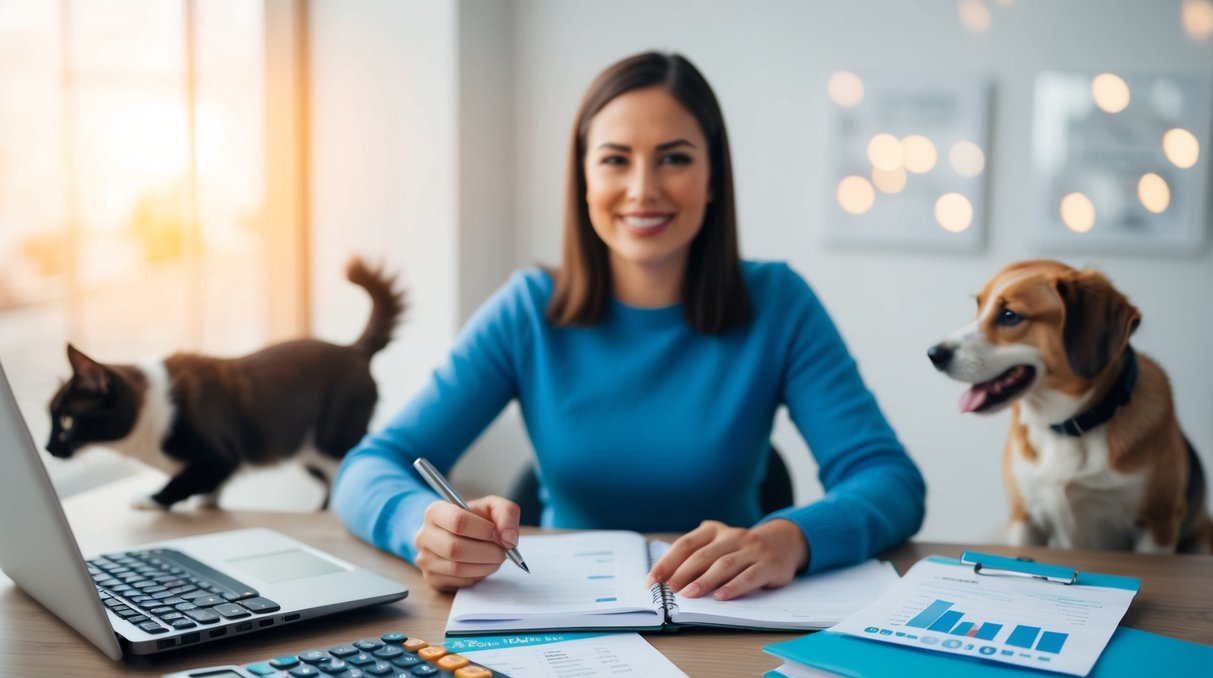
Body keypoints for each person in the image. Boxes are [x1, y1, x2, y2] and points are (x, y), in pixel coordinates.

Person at [333, 51, 925, 600]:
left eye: (674, 158)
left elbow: (889, 480)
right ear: (584, 178)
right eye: (616, 159)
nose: (643, 190)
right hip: (564, 615)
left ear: (713, 178)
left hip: (722, 613)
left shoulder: (778, 303)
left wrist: (790, 539)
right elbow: (368, 468)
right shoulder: (528, 310)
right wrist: (421, 527)